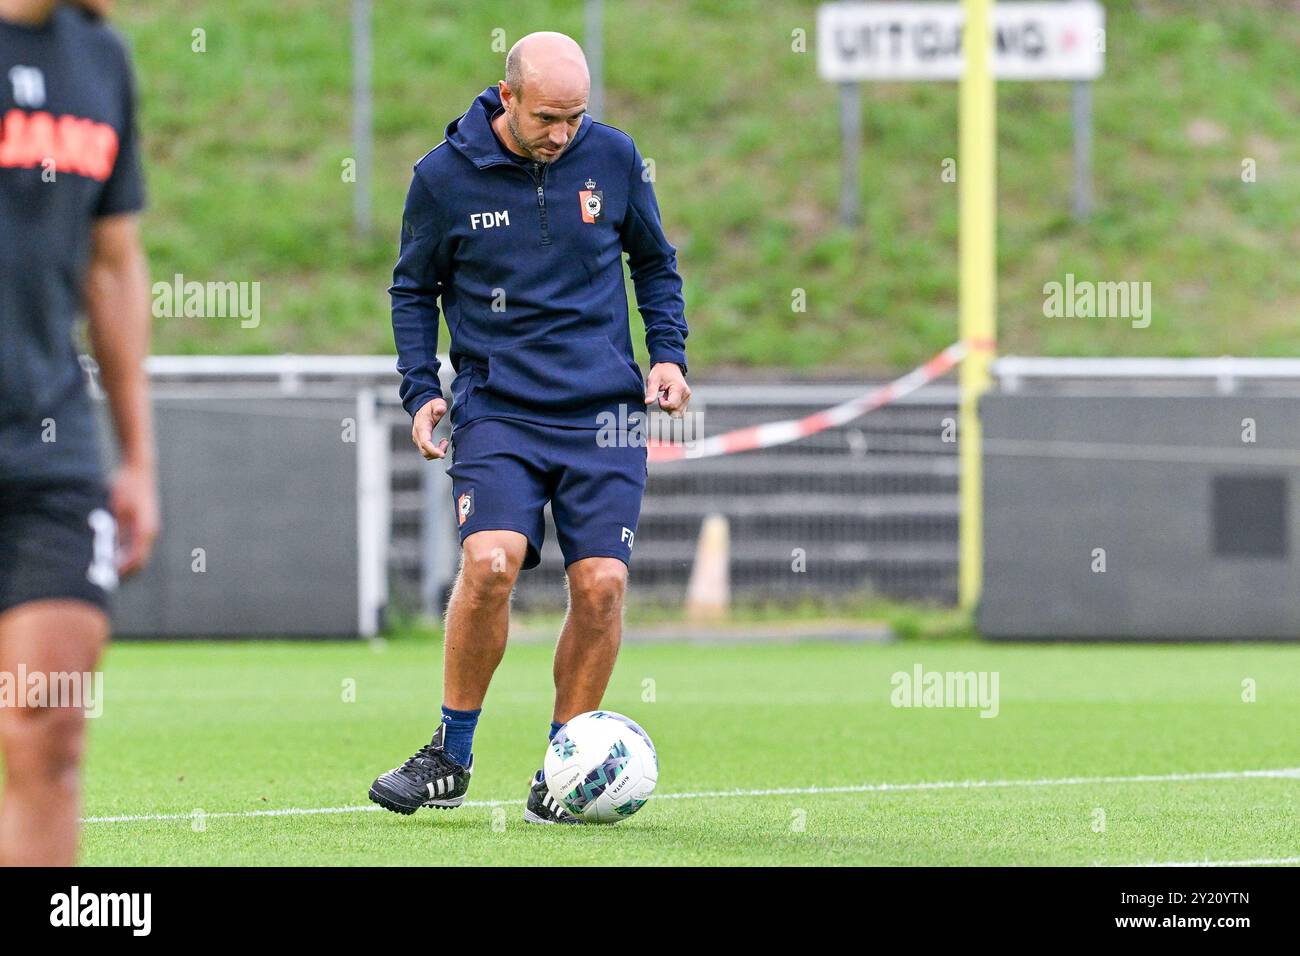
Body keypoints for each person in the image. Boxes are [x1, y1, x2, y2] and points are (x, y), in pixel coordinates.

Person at [372, 31, 689, 823]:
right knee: (489, 563)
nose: (563, 134)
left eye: (576, 118)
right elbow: (413, 290)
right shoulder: (442, 178)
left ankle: (560, 770)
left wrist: (668, 356)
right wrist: (421, 391)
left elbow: (654, 261)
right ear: (506, 96)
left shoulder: (612, 159)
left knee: (603, 585)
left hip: (604, 414)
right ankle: (451, 752)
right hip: (499, 408)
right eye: (549, 117)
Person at [0, 0, 156, 865]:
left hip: (47, 451)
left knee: (50, 728)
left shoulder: (100, 60)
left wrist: (137, 457)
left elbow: (114, 261)